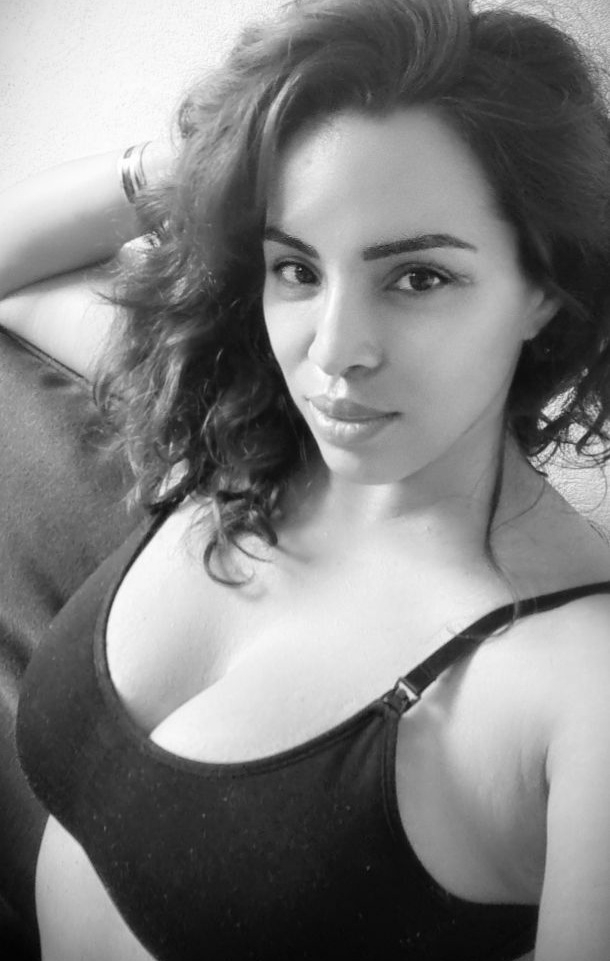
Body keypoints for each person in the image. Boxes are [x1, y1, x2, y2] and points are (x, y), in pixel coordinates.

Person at [2, 0, 610, 957]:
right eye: (297, 268)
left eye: (417, 277)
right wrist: (206, 164)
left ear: (543, 287)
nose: (332, 352)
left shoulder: (580, 686)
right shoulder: (238, 426)